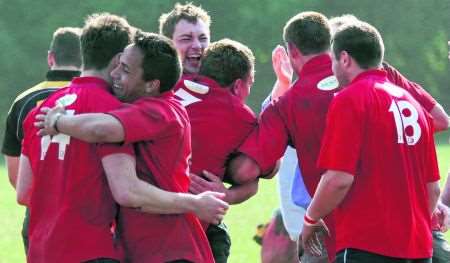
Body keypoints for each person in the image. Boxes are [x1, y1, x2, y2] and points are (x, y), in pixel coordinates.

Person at [18, 14, 225, 263]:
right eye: (122, 65)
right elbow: (127, 191)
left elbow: (23, 192)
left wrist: (59, 123)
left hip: (43, 250)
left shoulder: (42, 110)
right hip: (95, 249)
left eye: (127, 69)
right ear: (117, 59)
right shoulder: (111, 107)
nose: (119, 73)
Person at [302, 21, 440, 263]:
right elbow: (433, 189)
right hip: (419, 249)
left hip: (368, 246)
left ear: (344, 59)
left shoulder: (350, 99)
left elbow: (338, 179)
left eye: (333, 61)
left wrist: (310, 219)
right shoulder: (414, 104)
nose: (332, 70)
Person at [227, 11, 339, 262]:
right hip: (387, 227)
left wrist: (221, 183)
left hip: (324, 230)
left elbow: (249, 168)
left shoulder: (288, 105)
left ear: (292, 51)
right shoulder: (369, 86)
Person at [159, 4, 259, 262]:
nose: (197, 46)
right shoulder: (149, 90)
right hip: (152, 228)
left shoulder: (230, 107)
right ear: (166, 43)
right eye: (186, 39)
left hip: (204, 230)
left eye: (203, 38)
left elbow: (255, 174)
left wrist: (228, 195)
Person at [1, 26, 81, 253]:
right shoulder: (100, 97)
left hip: (40, 219)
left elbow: (17, 177)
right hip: (87, 219)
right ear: (85, 59)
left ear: (50, 57)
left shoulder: (23, 102)